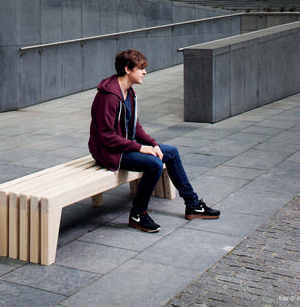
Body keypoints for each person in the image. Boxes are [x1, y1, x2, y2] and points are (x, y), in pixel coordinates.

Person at [88, 49, 220, 232]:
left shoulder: (129, 93)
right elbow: (106, 136)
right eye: (141, 68)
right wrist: (141, 148)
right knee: (154, 164)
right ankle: (137, 213)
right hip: (109, 152)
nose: (145, 72)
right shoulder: (108, 97)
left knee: (170, 152)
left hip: (123, 146)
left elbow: (135, 126)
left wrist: (153, 144)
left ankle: (193, 204)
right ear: (127, 69)